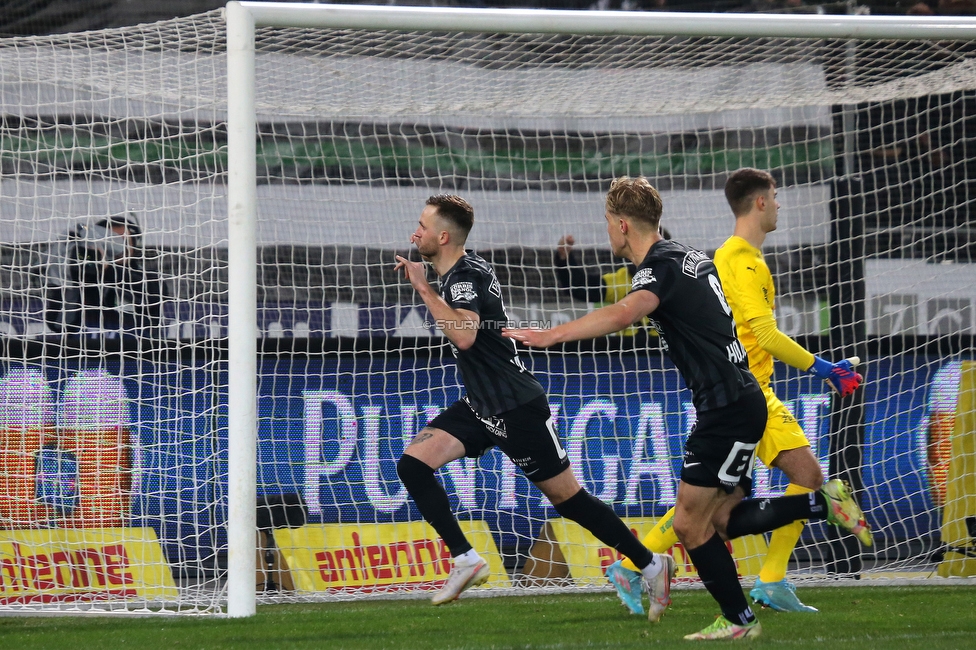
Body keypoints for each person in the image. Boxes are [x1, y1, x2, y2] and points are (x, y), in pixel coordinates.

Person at [504, 176, 871, 640]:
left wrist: (550, 334)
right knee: (718, 519)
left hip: (725, 406)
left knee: (687, 522)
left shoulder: (659, 269)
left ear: (620, 225)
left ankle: (740, 616)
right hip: (740, 399)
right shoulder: (690, 255)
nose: (608, 233)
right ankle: (814, 512)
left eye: (607, 224)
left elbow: (622, 313)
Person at [393, 194, 676, 617]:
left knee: (570, 501)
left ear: (444, 235)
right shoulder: (457, 272)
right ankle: (466, 559)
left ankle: (652, 563)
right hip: (481, 405)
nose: (415, 232)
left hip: (516, 406)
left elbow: (466, 334)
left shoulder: (464, 275)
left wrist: (421, 286)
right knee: (412, 465)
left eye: (422, 225)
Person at [606, 168, 870, 616]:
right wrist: (823, 367)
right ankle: (767, 577)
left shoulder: (739, 257)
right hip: (746, 394)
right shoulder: (739, 259)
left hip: (740, 392)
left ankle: (753, 579)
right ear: (761, 202)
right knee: (775, 489)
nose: (781, 204)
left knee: (717, 509)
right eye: (776, 196)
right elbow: (764, 334)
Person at [45, 214, 167, 341]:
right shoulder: (82, 277)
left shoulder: (149, 278)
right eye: (111, 242)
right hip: (85, 353)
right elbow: (57, 324)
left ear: (135, 244)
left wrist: (107, 269)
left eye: (124, 242)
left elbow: (152, 296)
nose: (120, 249)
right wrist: (70, 276)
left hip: (133, 353)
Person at [553, 227, 669, 335]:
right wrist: (565, 260)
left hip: (666, 353)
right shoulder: (622, 280)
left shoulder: (675, 281)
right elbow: (578, 286)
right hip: (628, 354)